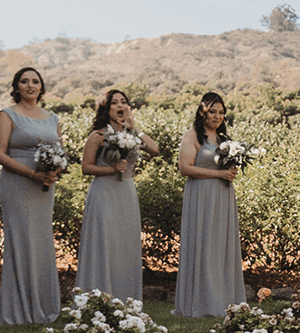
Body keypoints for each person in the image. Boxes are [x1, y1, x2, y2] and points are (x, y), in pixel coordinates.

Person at [0, 66, 62, 326]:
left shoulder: (52, 118)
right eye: (24, 81)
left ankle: (42, 306)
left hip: (44, 188)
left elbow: (59, 151)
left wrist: (55, 171)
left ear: (41, 87)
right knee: (20, 242)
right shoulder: (7, 115)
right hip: (17, 185)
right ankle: (17, 308)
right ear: (16, 87)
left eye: (35, 81)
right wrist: (32, 175)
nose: (30, 85)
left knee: (41, 242)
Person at [76, 89, 160, 300]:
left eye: (124, 102)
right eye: (115, 103)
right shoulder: (98, 135)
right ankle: (98, 296)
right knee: (104, 243)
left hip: (126, 193)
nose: (121, 106)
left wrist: (134, 128)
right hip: (103, 193)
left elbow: (155, 149)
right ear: (107, 108)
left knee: (125, 244)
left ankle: (124, 298)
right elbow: (86, 167)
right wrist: (112, 169)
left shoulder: (132, 135)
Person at [174, 91, 246, 318]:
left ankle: (224, 299)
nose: (217, 116)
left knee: (221, 246)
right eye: (213, 111)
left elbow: (227, 169)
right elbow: (185, 168)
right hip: (201, 195)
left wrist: (231, 172)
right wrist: (218, 174)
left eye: (221, 112)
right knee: (203, 244)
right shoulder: (192, 136)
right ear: (202, 111)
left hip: (223, 196)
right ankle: (200, 303)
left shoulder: (225, 140)